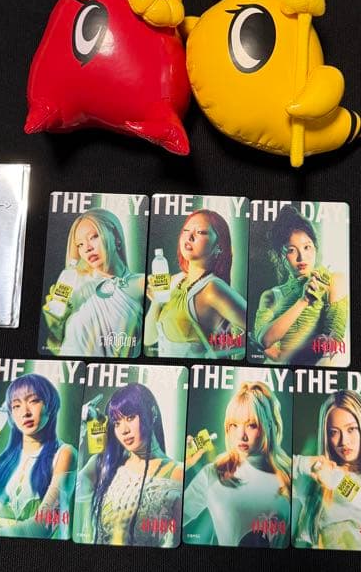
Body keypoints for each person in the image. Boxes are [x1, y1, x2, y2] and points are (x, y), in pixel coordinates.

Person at [0, 373, 77, 539]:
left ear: (50, 405)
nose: (25, 412)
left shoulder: (65, 454)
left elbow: (42, 528)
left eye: (33, 401)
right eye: (16, 405)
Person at [74, 383, 184, 547]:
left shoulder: (178, 473)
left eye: (130, 418)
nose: (124, 430)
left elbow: (175, 541)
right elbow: (68, 490)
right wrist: (83, 424)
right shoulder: (106, 464)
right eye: (117, 423)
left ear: (152, 413)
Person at [182, 381, 291, 547]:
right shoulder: (212, 474)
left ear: (268, 425)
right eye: (234, 425)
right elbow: (169, 519)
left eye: (251, 425)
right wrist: (182, 466)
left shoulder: (290, 474)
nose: (241, 435)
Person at [292, 390, 361, 551]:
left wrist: (333, 476)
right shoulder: (313, 479)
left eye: (351, 429)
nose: (344, 441)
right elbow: (274, 467)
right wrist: (305, 463)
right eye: (334, 432)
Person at [253, 204, 348, 365]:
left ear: (315, 248)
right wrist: (303, 301)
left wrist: (283, 355)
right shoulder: (270, 296)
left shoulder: (333, 281)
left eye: (307, 247)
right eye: (291, 250)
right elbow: (264, 341)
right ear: (280, 256)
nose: (302, 257)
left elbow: (332, 343)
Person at [145, 209, 247, 358]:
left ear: (219, 245)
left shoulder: (212, 288)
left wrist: (218, 349)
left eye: (200, 232)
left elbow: (256, 334)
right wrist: (156, 301)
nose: (189, 236)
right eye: (186, 230)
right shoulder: (175, 280)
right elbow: (149, 339)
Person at [43, 209, 144, 358]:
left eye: (94, 237)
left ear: (116, 237)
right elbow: (56, 346)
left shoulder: (140, 283)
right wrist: (54, 326)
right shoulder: (73, 281)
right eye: (80, 244)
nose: (87, 248)